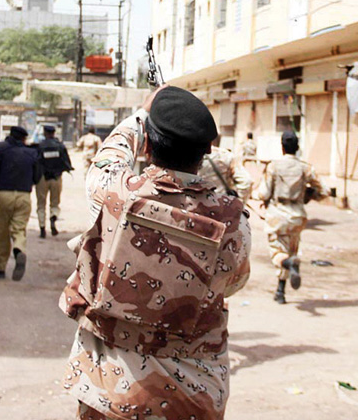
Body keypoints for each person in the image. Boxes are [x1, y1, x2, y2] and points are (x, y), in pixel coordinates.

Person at [60, 86, 251, 420]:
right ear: (206, 152)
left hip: (112, 390)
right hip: (194, 395)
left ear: (146, 145)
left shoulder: (113, 190)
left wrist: (143, 112)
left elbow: (112, 152)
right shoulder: (233, 219)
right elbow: (233, 282)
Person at [255, 131, 325, 305]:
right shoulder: (305, 167)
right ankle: (280, 291)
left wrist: (259, 198)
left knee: (277, 252)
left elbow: (264, 192)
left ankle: (287, 265)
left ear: (282, 147)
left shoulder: (273, 166)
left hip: (277, 215)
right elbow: (323, 191)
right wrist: (309, 196)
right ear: (297, 148)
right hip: (297, 215)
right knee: (292, 251)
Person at [0, 126, 41, 281]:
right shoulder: (32, 153)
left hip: (4, 195)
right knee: (19, 229)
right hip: (24, 197)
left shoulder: (1, 151)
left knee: (2, 232)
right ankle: (19, 249)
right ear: (23, 139)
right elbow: (37, 177)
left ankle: (0, 269)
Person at [36, 125, 73, 239]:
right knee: (55, 202)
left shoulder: (40, 146)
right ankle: (53, 217)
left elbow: (35, 161)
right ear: (54, 133)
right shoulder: (60, 146)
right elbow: (67, 163)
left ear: (45, 133)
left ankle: (42, 228)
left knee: (41, 203)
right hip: (56, 177)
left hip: (42, 178)